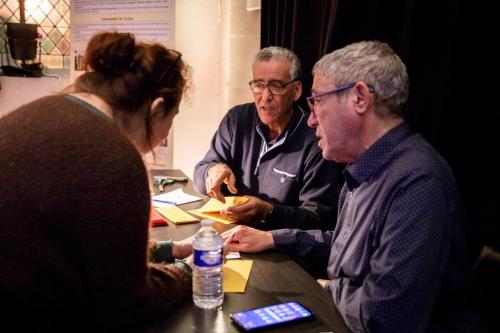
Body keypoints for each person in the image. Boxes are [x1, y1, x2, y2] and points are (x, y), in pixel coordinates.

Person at [223, 41, 484, 332]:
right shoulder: (366, 166)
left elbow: (384, 317)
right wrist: (273, 239)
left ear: (359, 98)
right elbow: (344, 246)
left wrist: (326, 287)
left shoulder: (418, 181)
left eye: (317, 101)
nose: (310, 119)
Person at [0, 32, 193, 330]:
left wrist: (168, 250)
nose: (167, 131)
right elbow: (128, 303)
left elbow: (74, 240)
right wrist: (188, 272)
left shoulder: (38, 113)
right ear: (156, 109)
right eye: (173, 117)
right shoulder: (113, 158)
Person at [193, 46, 341, 230]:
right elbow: (200, 173)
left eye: (276, 86)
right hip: (231, 236)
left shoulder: (317, 138)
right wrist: (212, 171)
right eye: (258, 85)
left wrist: (267, 211)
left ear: (296, 90)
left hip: (280, 251)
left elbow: (319, 218)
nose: (265, 96)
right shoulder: (237, 119)